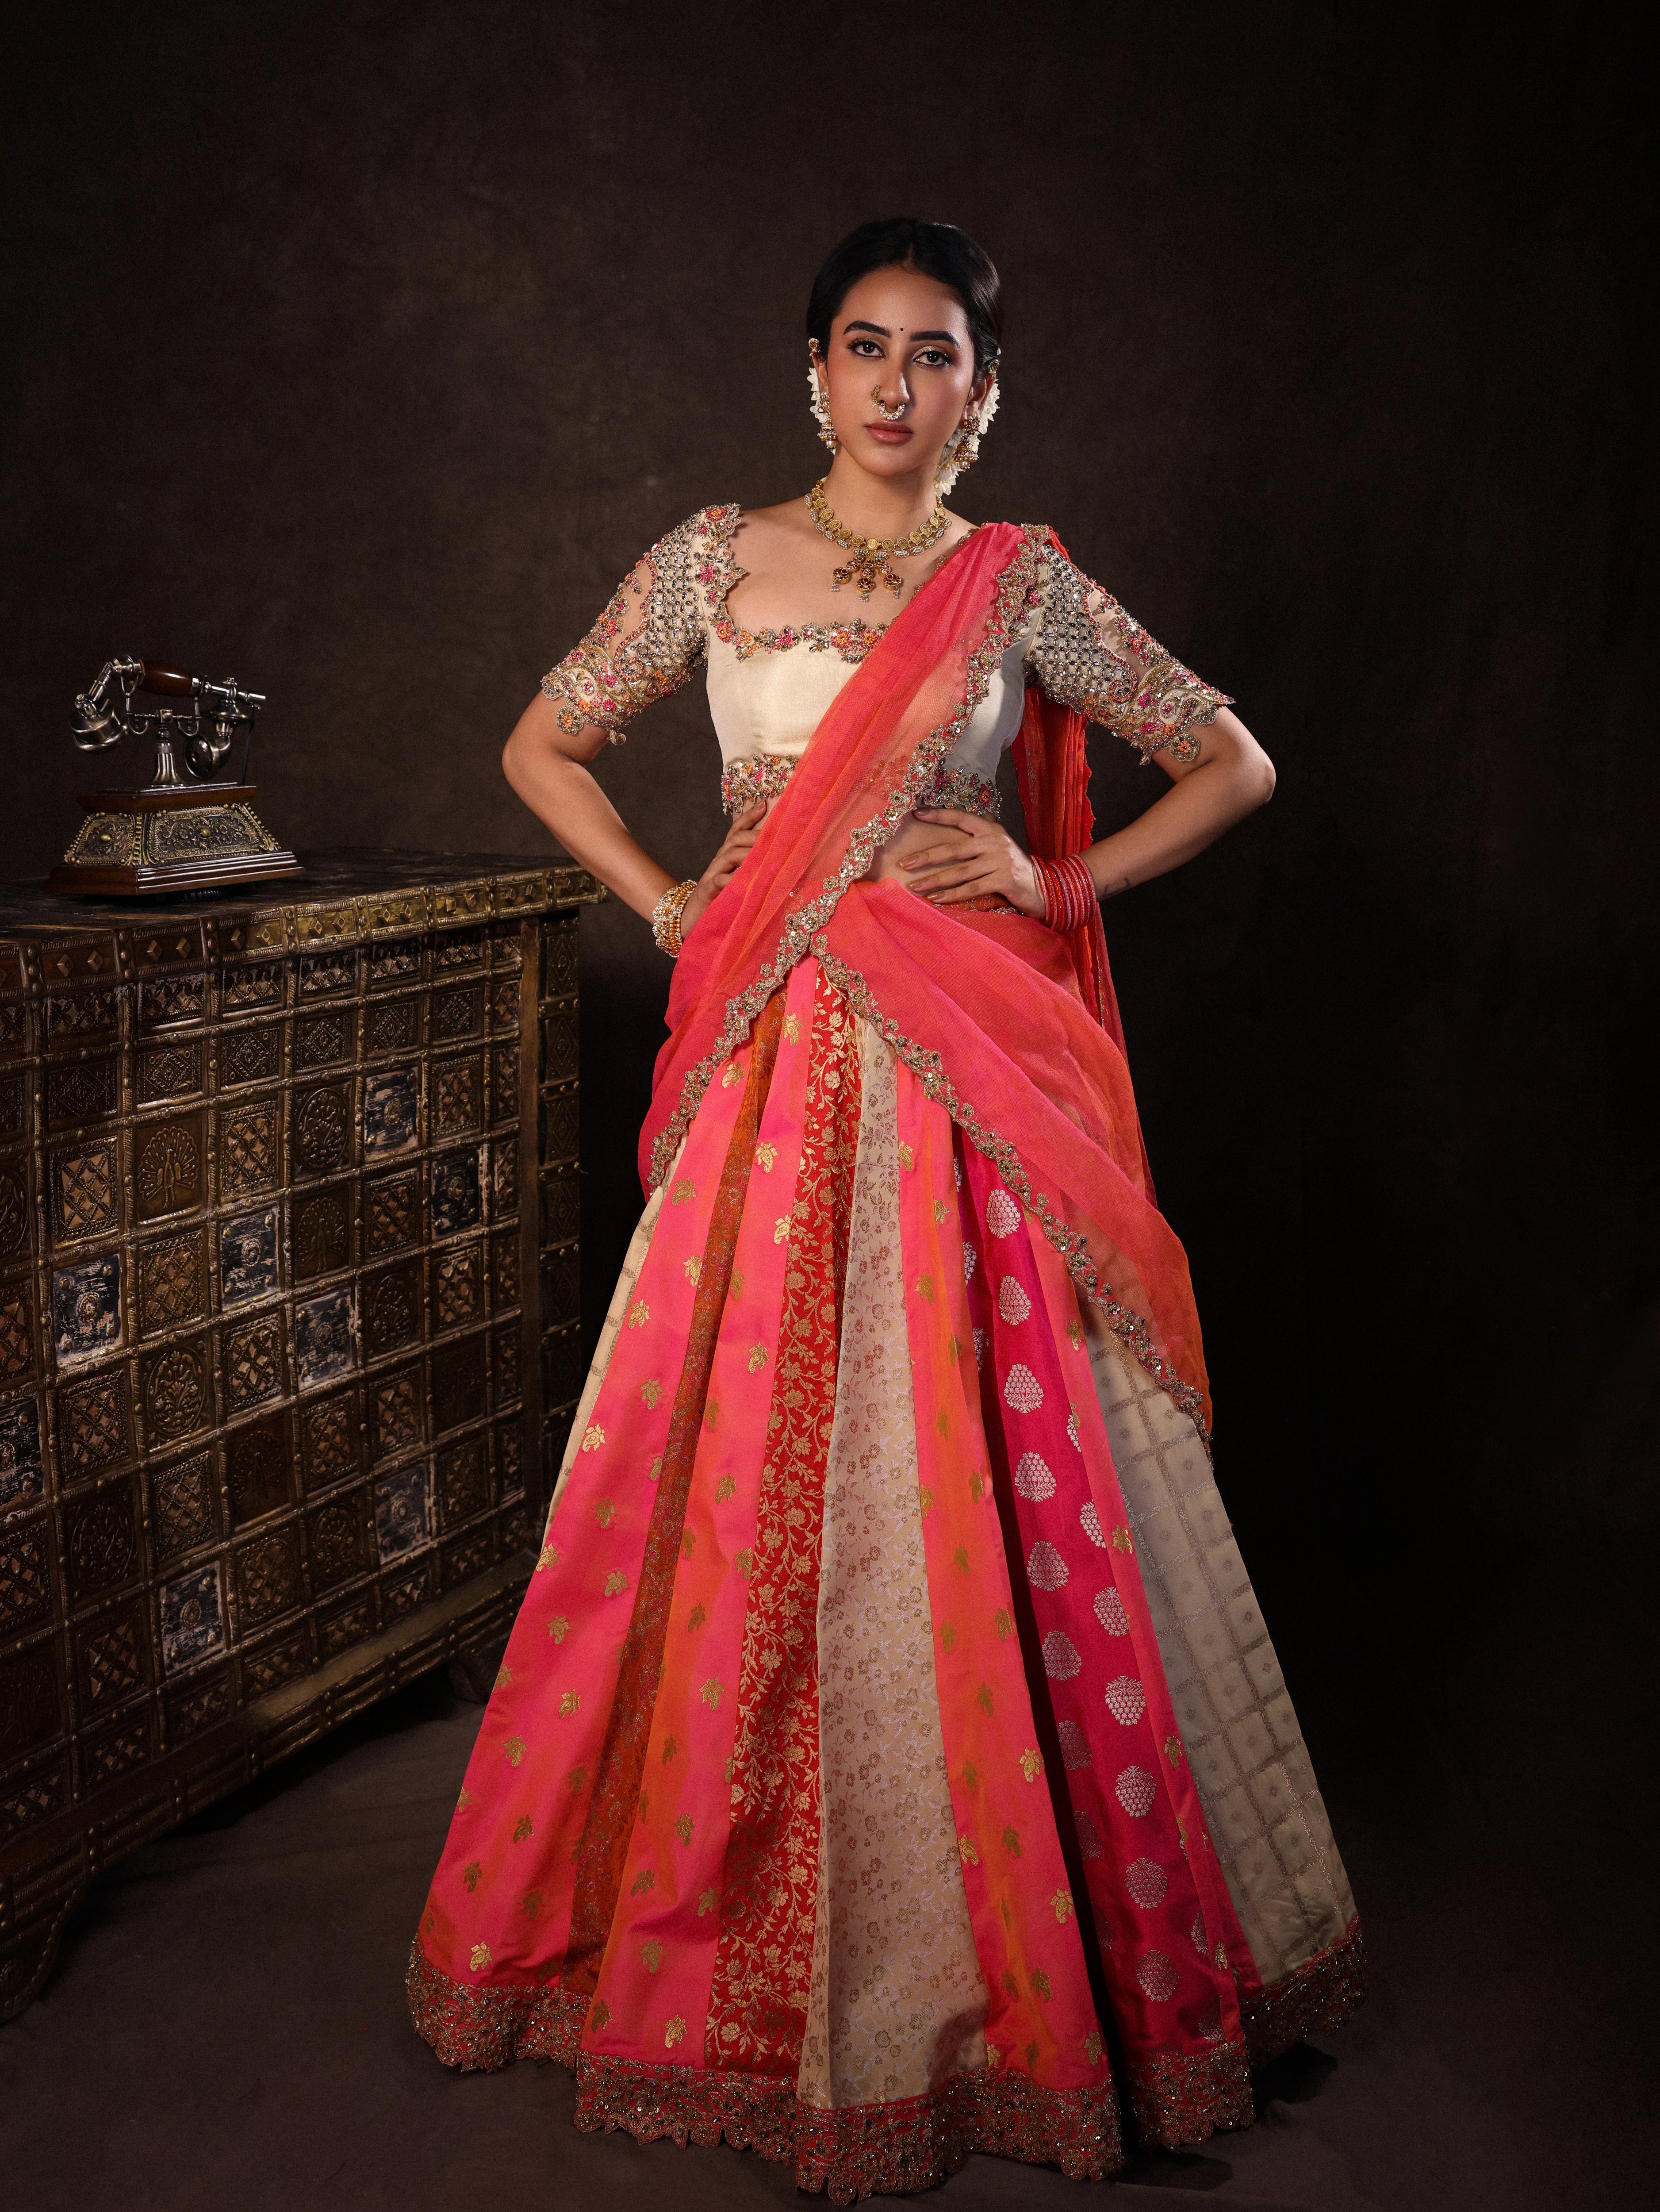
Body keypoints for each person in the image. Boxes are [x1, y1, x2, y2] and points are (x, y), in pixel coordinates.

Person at [406, 217, 1363, 2197]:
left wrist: (1053, 881)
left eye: (937, 356)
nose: (897, 386)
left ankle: (1032, 1938)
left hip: (965, 1067)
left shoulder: (1016, 583)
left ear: (982, 397)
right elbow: (542, 744)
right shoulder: (710, 559)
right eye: (866, 347)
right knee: (729, 1460)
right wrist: (670, 902)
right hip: (767, 1049)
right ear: (813, 370)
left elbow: (1233, 762)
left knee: (997, 1455)